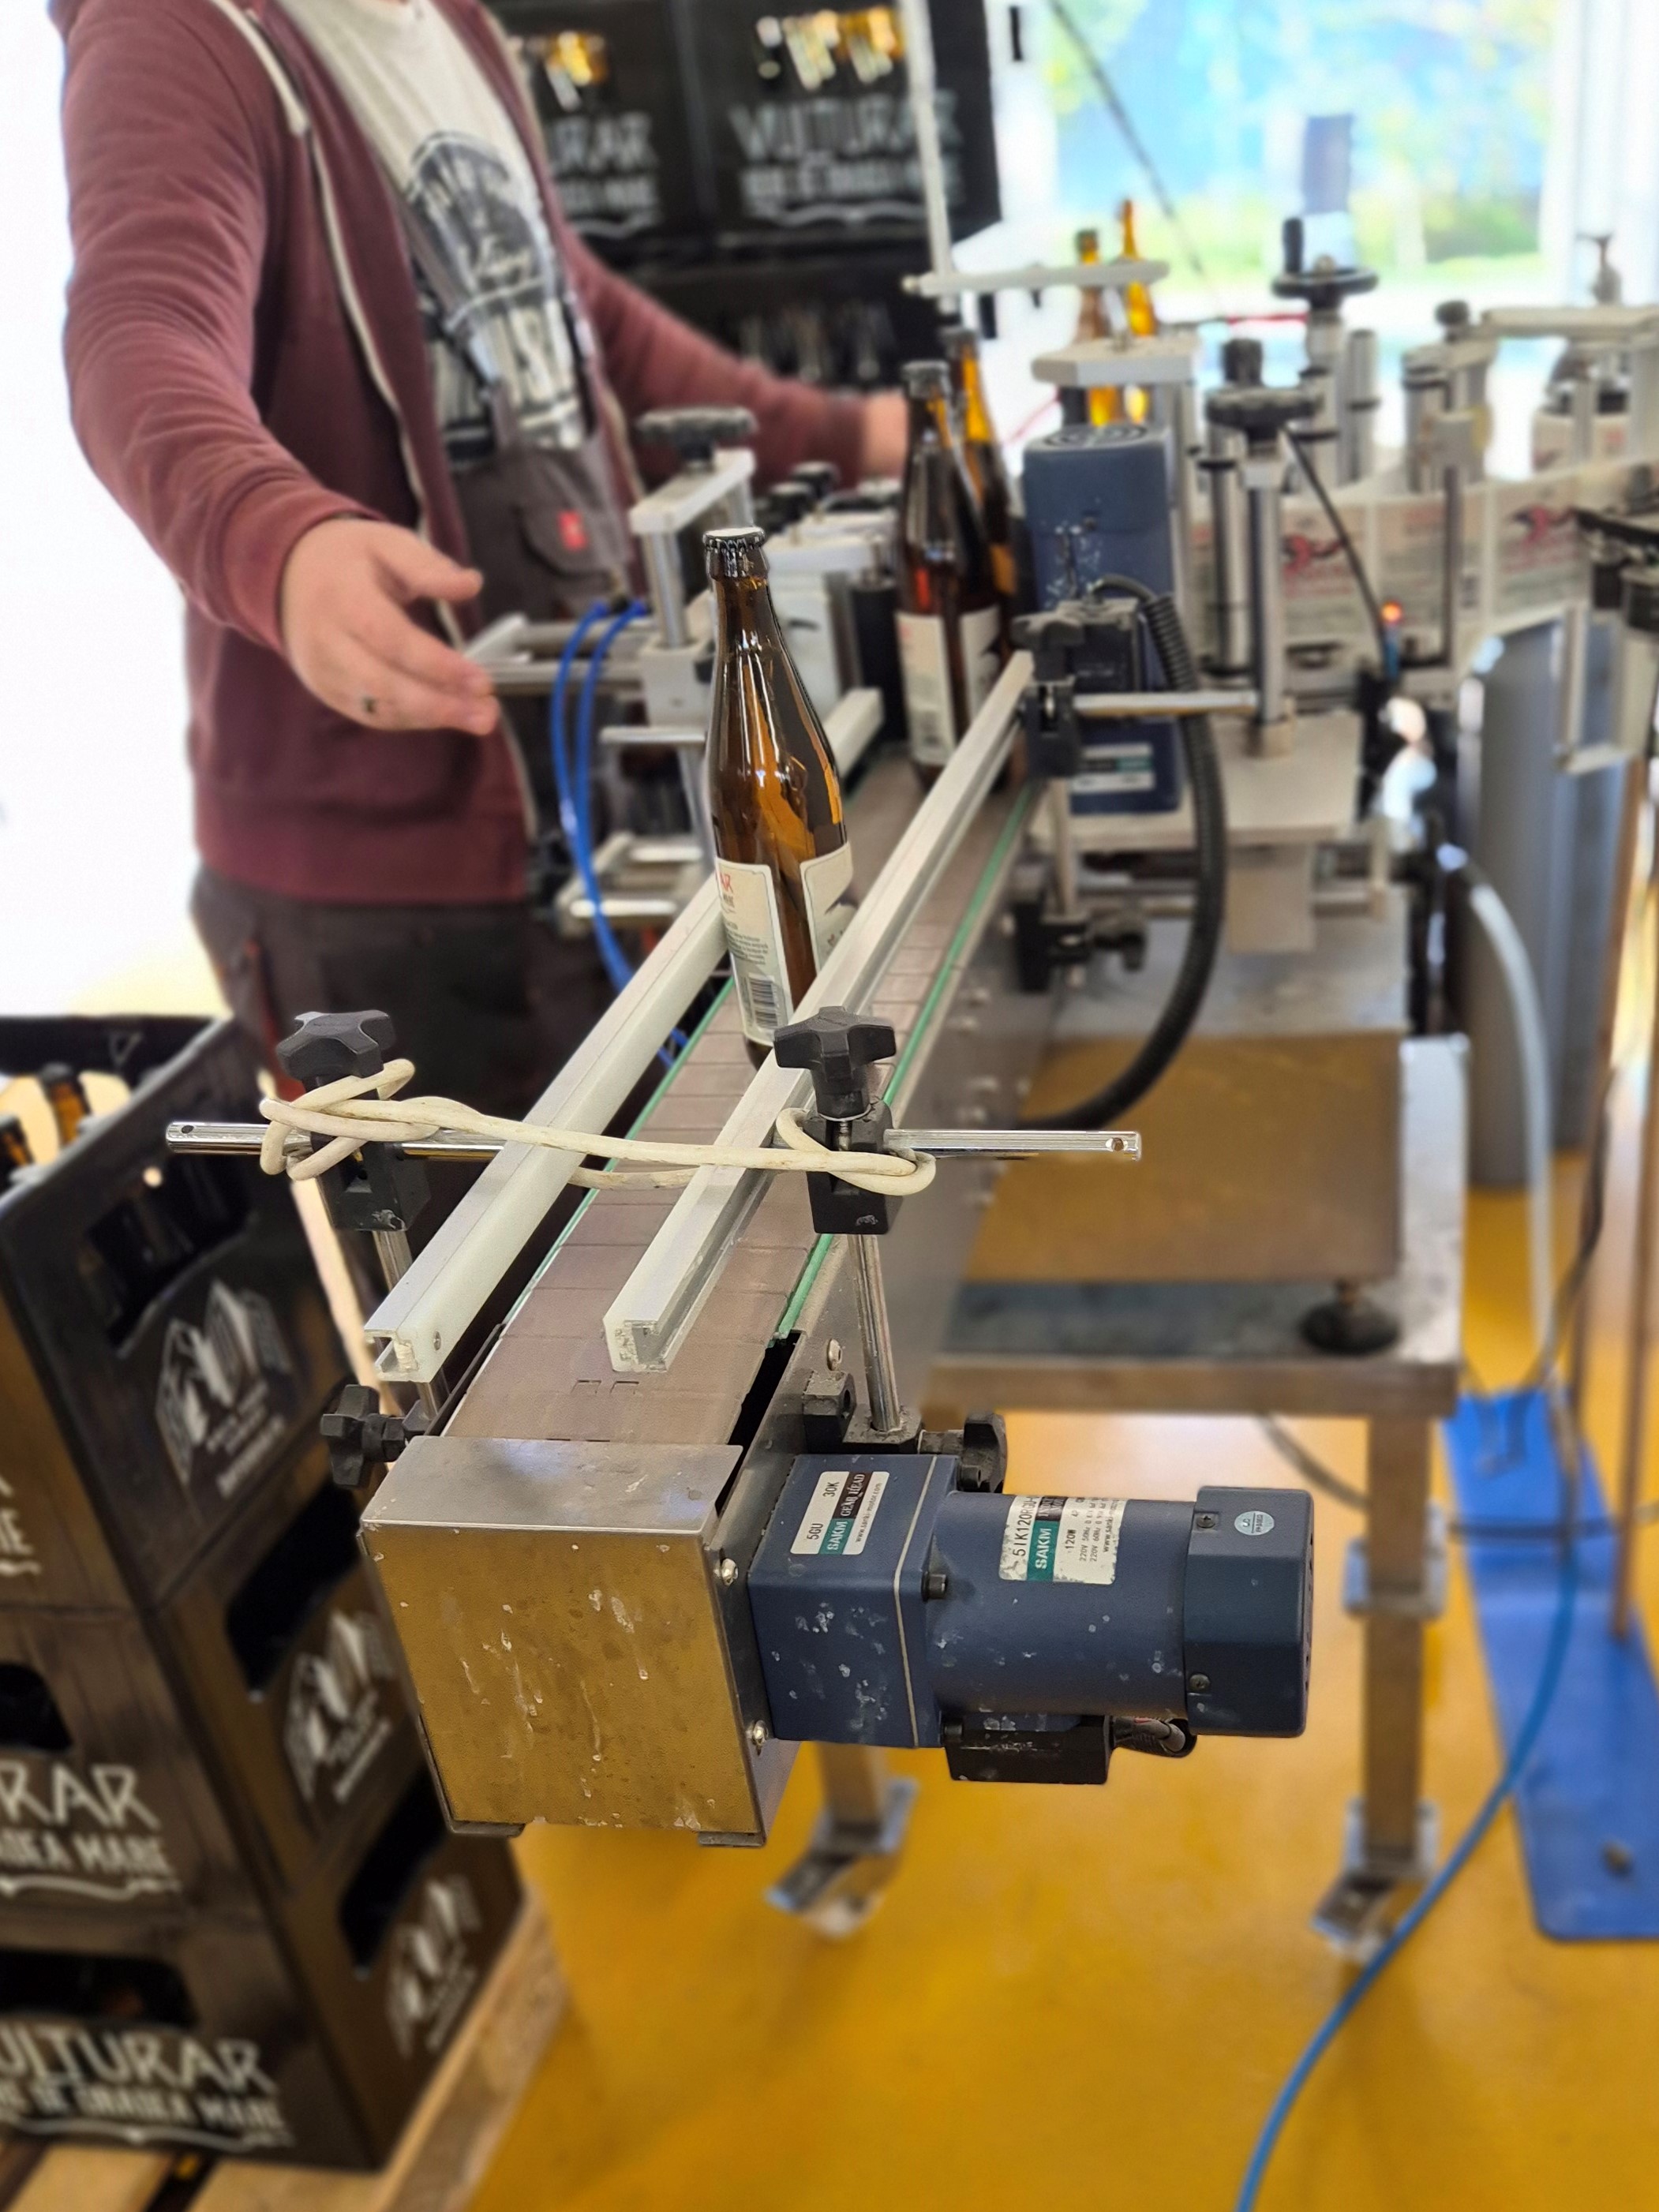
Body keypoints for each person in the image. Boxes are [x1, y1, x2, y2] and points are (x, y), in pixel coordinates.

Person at [52, 0, 908, 1112]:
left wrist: (848, 435)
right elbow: (139, 329)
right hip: (387, 890)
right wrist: (276, 535)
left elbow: (577, 313)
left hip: (570, 797)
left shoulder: (452, 28)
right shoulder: (176, 29)